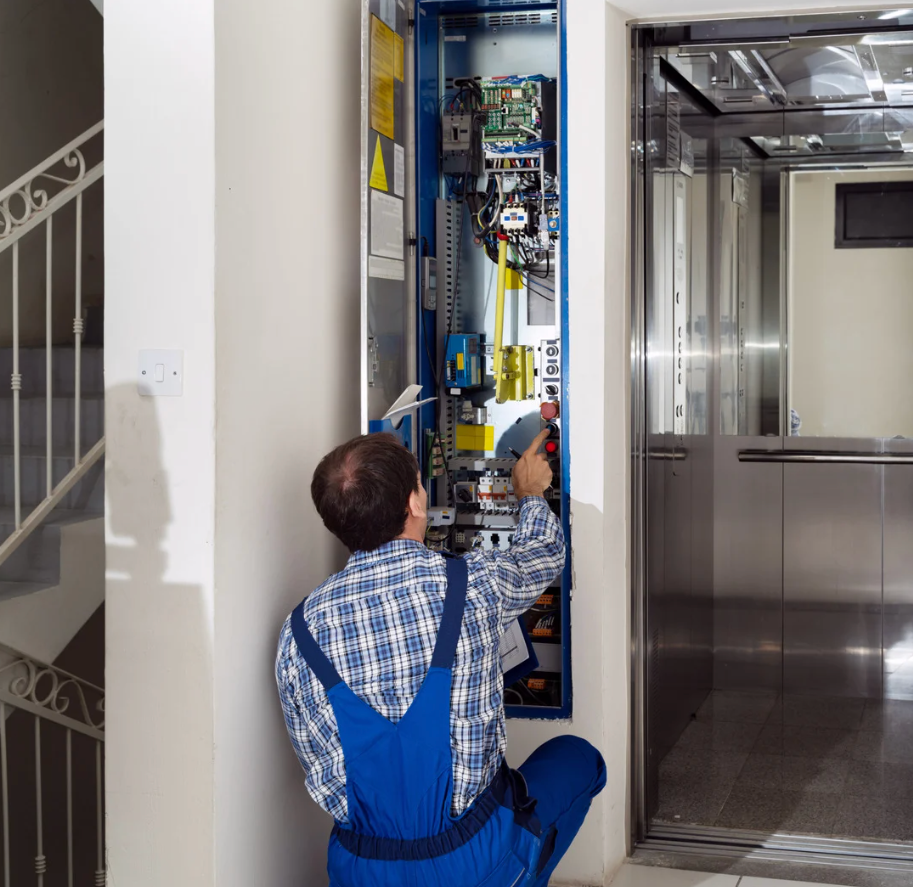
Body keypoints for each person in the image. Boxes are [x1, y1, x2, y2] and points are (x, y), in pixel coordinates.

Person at [275, 430, 605, 887]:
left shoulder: (298, 634)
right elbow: (544, 554)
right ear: (413, 505)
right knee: (579, 759)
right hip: (472, 860)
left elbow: (315, 757)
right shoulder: (470, 585)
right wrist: (530, 494)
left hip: (362, 871)